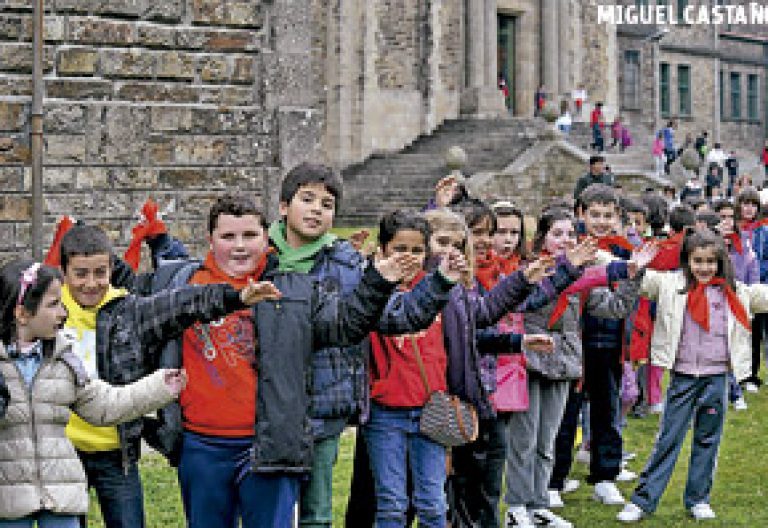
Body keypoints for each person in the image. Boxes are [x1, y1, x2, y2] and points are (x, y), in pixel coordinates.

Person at [141, 188, 417, 528]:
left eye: (249, 235)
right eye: (228, 236)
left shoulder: (293, 288)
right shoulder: (182, 283)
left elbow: (345, 324)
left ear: (266, 238)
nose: (239, 245)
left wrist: (378, 281)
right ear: (210, 240)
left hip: (267, 447)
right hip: (202, 445)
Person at [53, 223, 283, 528]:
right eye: (80, 274)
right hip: (63, 453)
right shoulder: (50, 314)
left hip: (117, 455)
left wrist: (237, 297)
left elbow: (185, 303)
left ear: (112, 269)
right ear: (64, 273)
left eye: (100, 273)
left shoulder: (130, 312)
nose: (91, 283)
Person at [0, 259, 236, 527]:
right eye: (53, 305)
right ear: (22, 314)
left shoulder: (63, 359)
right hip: (8, 500)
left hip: (60, 496)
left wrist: (158, 387)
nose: (63, 313)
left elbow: (104, 404)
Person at [503, 207, 658, 528]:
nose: (565, 240)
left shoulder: (582, 274)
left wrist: (635, 275)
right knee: (525, 440)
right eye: (557, 234)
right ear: (542, 238)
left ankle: (538, 504)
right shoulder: (531, 270)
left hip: (564, 362)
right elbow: (532, 301)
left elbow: (615, 307)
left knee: (547, 441)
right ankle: (516, 506)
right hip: (530, 360)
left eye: (570, 235)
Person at [617, 230, 768, 523]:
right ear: (687, 260)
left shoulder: (736, 292)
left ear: (720, 262)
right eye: (698, 261)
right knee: (668, 439)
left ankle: (698, 498)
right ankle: (643, 499)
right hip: (684, 377)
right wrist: (625, 262)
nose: (704, 267)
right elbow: (639, 277)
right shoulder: (672, 285)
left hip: (717, 378)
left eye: (711, 261)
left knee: (708, 439)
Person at [713, 198, 757, 410]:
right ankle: (731, 391)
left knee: (734, 347)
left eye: (731, 217)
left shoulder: (743, 244)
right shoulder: (710, 242)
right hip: (714, 301)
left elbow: (751, 269)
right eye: (723, 217)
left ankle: (736, 389)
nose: (728, 222)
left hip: (737, 299)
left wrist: (751, 296)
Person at [735, 187, 768, 392]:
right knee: (741, 332)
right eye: (745, 204)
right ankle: (742, 373)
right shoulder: (735, 230)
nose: (749, 208)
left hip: (758, 287)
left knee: (757, 331)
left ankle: (752, 374)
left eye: (753, 204)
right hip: (737, 287)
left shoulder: (762, 231)